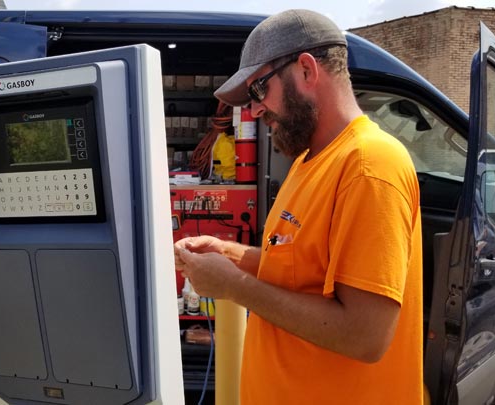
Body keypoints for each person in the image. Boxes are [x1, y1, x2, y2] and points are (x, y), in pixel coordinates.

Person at [174, 9, 423, 404]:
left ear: (306, 70)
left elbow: (364, 335)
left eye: (259, 90)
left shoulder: (369, 165)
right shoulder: (310, 161)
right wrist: (232, 254)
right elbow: (298, 267)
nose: (255, 110)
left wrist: (233, 285)